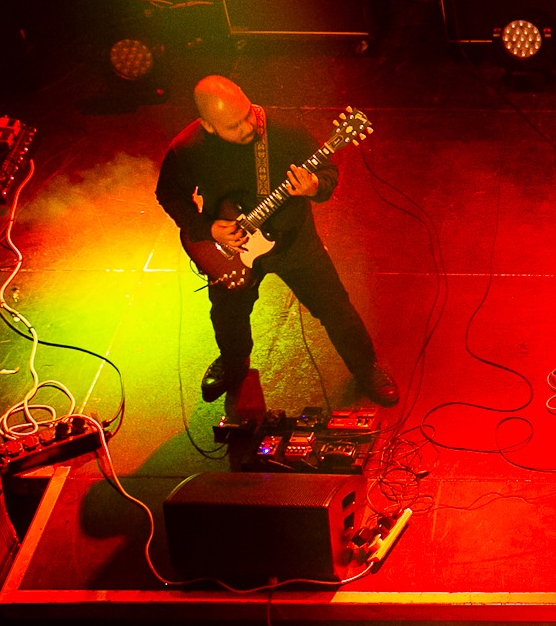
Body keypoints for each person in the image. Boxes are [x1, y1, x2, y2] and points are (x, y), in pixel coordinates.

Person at [156, 75, 397, 406]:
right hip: (230, 249)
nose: (248, 127)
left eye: (247, 114)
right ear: (208, 126)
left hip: (295, 243)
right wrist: (208, 229)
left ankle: (365, 368)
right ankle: (233, 364)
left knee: (336, 308)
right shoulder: (188, 148)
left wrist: (313, 186)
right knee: (227, 318)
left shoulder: (285, 131)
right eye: (234, 126)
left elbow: (327, 174)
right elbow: (169, 194)